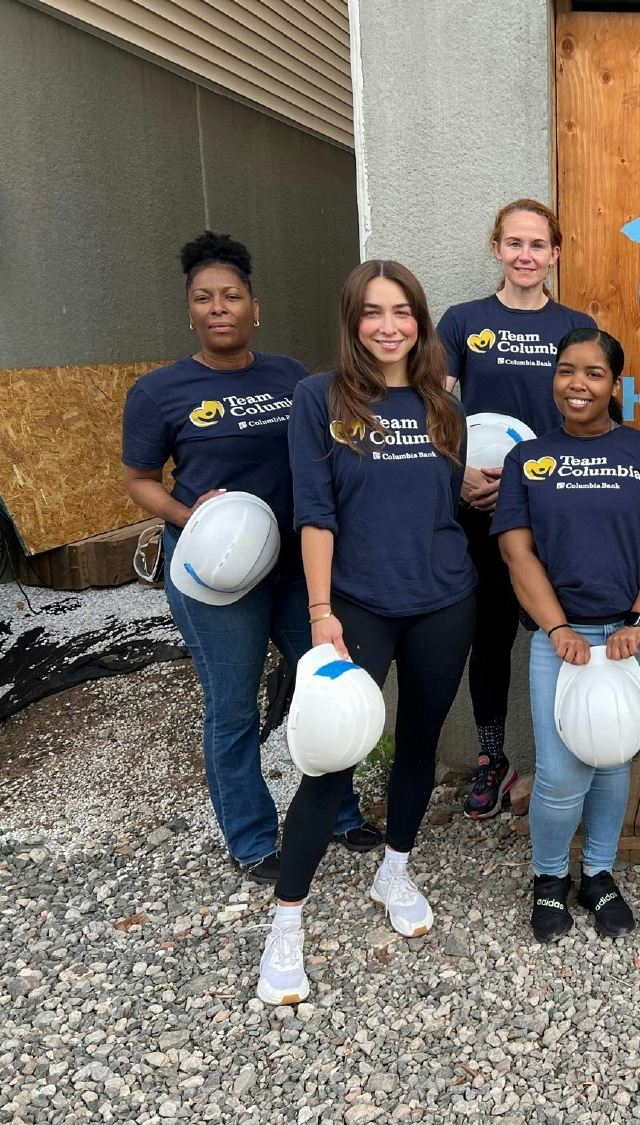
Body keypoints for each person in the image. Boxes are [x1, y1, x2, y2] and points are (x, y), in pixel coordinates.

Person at [121, 232, 376, 885]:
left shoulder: (291, 376)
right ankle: (253, 836)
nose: (218, 308)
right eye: (204, 298)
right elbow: (140, 477)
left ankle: (338, 813)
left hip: (293, 567)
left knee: (325, 683)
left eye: (231, 295)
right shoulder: (159, 392)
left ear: (254, 307)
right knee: (233, 705)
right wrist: (189, 516)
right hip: (216, 572)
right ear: (190, 311)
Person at [256, 260, 477, 1005]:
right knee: (331, 758)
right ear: (352, 322)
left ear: (420, 319)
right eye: (373, 312)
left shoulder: (445, 401)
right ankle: (287, 920)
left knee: (419, 743)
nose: (390, 326)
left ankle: (395, 865)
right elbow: (314, 511)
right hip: (357, 607)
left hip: (444, 600)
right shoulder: (319, 397)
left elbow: (444, 505)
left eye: (403, 311)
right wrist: (321, 614)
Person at [492, 328, 640, 943]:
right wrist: (556, 627)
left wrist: (639, 621)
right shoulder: (528, 458)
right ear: (553, 378)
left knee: (612, 756)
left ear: (614, 384)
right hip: (562, 639)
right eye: (566, 370)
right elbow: (516, 551)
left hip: (638, 636)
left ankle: (598, 874)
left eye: (594, 373)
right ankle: (549, 876)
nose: (578, 383)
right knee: (558, 772)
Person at [437, 200, 597, 820]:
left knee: (561, 632)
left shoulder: (575, 325)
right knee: (491, 638)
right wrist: (459, 478)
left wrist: (533, 487)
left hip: (553, 509)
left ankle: (558, 763)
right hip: (478, 509)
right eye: (514, 244)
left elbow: (592, 421)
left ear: (556, 253)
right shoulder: (462, 322)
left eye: (538, 244)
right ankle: (491, 758)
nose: (525, 255)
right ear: (496, 248)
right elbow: (433, 414)